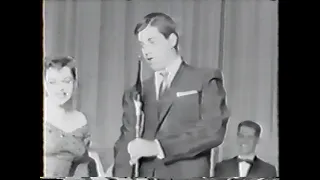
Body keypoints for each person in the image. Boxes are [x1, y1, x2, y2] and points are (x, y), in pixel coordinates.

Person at [112, 12, 229, 178]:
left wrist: (159, 147)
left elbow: (213, 130)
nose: (146, 51)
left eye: (152, 42)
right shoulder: (136, 92)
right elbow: (125, 144)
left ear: (172, 40)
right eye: (142, 45)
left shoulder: (205, 78)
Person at [44, 56, 98, 177]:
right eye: (53, 82)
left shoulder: (81, 120)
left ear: (75, 82)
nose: (60, 88)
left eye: (66, 81)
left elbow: (84, 161)